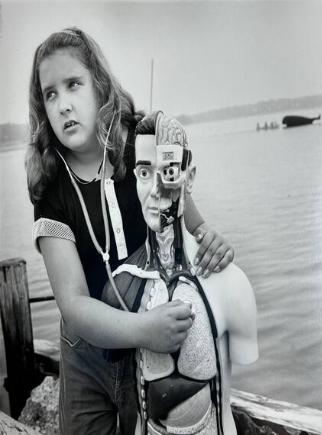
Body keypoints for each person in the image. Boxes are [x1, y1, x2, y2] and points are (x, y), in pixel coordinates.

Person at [26, 27, 234, 435]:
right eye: (50, 94)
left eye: (73, 85)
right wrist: (144, 329)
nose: (64, 104)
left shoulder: (140, 143)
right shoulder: (51, 187)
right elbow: (72, 304)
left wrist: (210, 239)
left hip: (151, 348)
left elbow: (190, 225)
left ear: (99, 85)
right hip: (86, 352)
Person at [103, 112, 258, 434]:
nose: (157, 189)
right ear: (133, 177)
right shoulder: (121, 287)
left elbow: (224, 403)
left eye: (169, 172)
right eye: (145, 172)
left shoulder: (231, 286)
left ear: (189, 177)